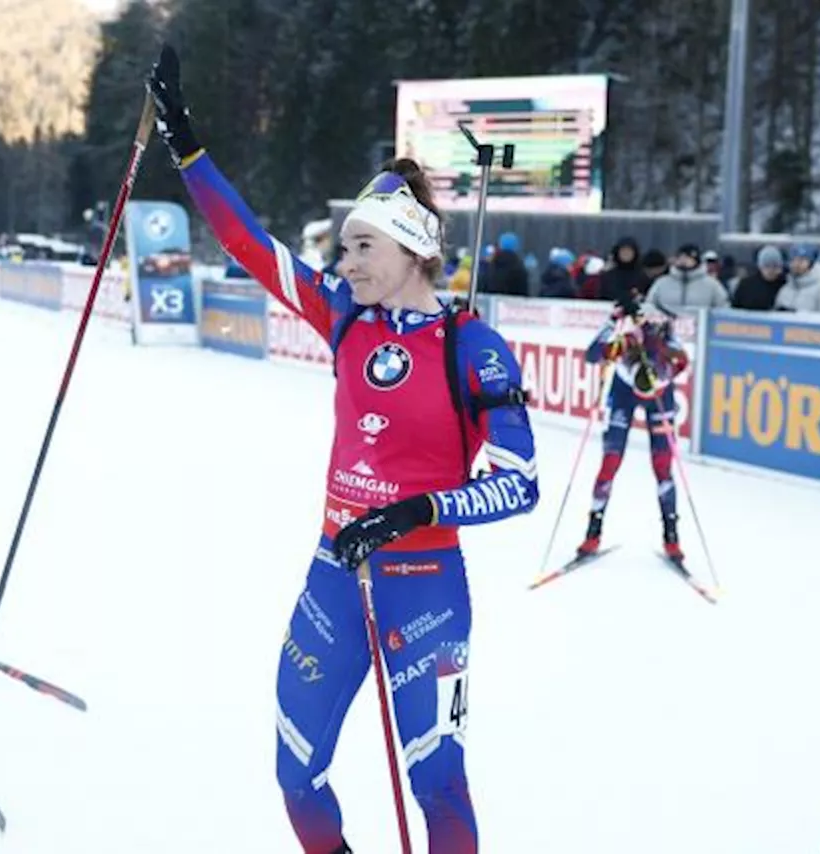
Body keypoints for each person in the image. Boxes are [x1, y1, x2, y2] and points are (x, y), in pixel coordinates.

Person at [148, 45, 540, 854]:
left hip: (425, 584)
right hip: (335, 572)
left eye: (364, 246)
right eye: (345, 247)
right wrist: (185, 142)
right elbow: (251, 245)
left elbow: (520, 482)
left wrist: (413, 512)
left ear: (411, 251)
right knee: (296, 772)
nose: (346, 261)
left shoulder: (472, 346)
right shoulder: (345, 319)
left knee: (437, 781)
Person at [576, 298, 690, 560]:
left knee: (663, 465)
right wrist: (612, 320)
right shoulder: (627, 344)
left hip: (661, 399)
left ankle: (671, 537)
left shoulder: (672, 354)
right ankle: (592, 533)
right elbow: (592, 354)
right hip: (623, 393)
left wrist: (657, 383)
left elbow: (681, 361)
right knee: (610, 460)